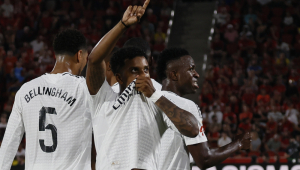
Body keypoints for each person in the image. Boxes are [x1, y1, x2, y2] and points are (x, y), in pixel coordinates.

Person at [85, 1, 199, 169]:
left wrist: (155, 96)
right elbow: (94, 60)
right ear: (119, 77)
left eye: (145, 69)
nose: (142, 75)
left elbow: (193, 129)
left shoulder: (158, 96)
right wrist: (122, 25)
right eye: (134, 70)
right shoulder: (104, 98)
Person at [0, 29, 92, 170]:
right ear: (80, 55)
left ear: (55, 55)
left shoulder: (25, 90)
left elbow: (8, 144)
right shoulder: (84, 89)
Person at [156, 47, 251, 170]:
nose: (197, 74)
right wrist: (238, 143)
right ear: (174, 74)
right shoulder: (185, 106)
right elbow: (204, 159)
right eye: (191, 69)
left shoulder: (147, 103)